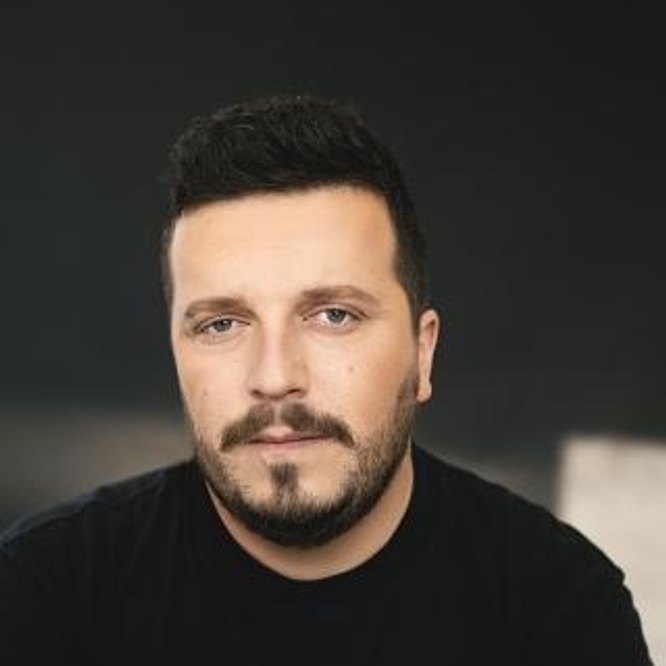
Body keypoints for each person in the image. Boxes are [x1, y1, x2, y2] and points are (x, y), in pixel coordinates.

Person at [0, 95, 653, 665]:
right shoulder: (42, 593)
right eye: (222, 324)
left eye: (334, 315)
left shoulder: (559, 608)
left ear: (422, 353)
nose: (275, 377)